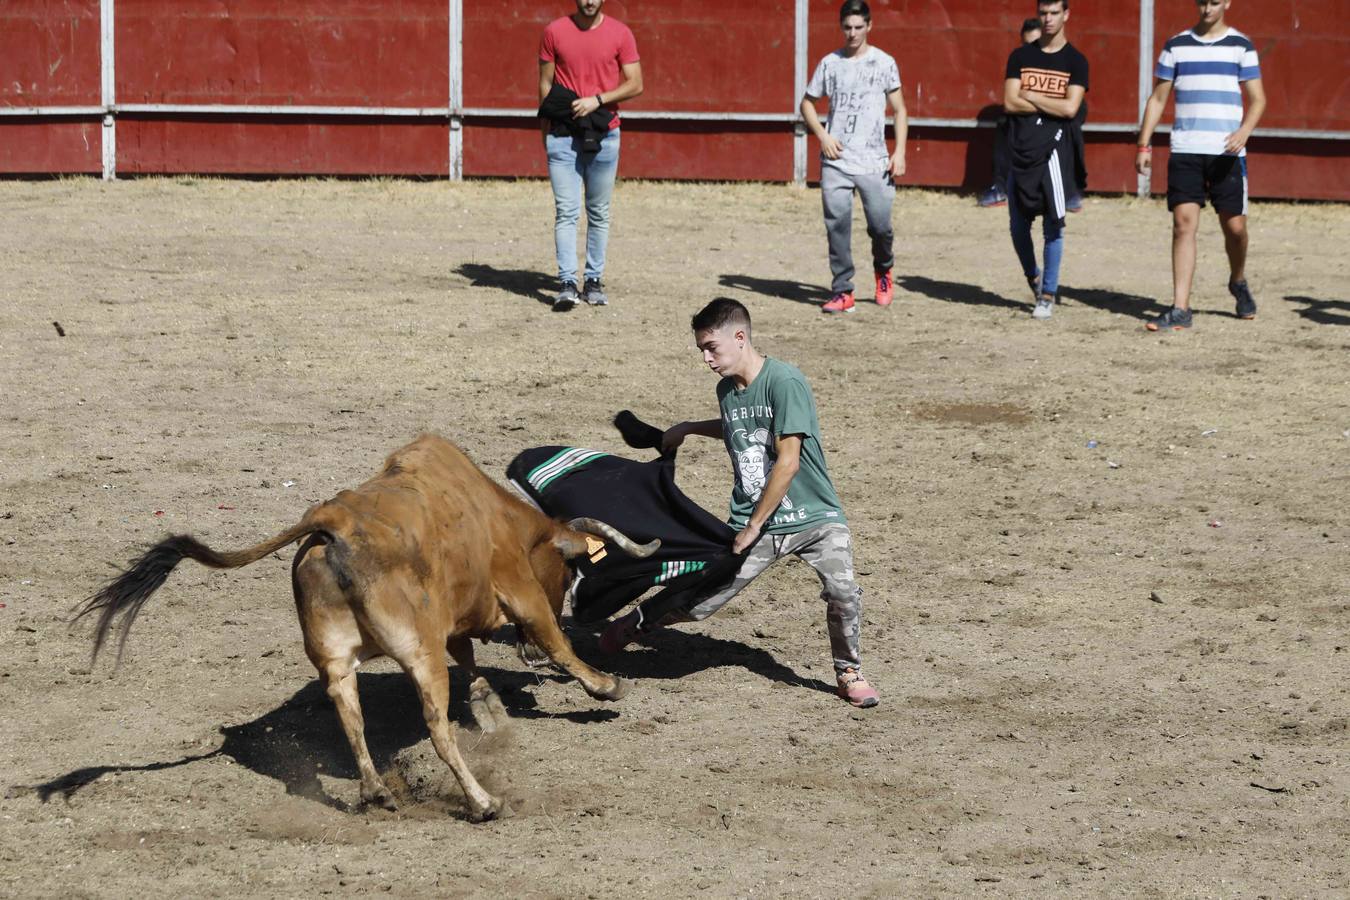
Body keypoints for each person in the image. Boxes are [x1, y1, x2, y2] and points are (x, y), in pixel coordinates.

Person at [600, 298, 880, 709]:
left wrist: (752, 525)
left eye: (711, 347)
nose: (708, 359)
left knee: (842, 591)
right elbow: (740, 426)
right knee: (700, 605)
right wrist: (691, 428)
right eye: (702, 350)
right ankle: (638, 622)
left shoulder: (785, 382)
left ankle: (849, 672)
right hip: (759, 521)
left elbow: (788, 461)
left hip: (814, 516)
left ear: (740, 337)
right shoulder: (727, 391)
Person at [1136, 0, 1266, 332]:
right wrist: (1144, 142)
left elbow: (1258, 98)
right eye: (1202, 2)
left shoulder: (1241, 45)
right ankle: (1180, 308)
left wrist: (1244, 131)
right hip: (1186, 149)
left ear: (1227, 3)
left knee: (1235, 228)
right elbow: (1158, 98)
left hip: (1227, 152)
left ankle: (1237, 280)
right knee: (1183, 224)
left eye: (1214, 2)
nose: (1207, 9)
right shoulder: (1176, 45)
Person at [800, 0, 907, 314]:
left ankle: (883, 271)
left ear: (869, 26)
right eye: (847, 27)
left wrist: (899, 151)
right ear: (841, 27)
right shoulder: (830, 63)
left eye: (859, 27)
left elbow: (900, 110)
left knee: (880, 226)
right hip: (838, 160)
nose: (853, 33)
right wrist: (823, 135)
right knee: (837, 225)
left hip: (874, 160)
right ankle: (842, 289)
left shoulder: (884, 62)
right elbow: (807, 103)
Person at [538, 0, 643, 311]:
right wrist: (545, 131)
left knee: (598, 211)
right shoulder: (554, 31)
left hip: (604, 132)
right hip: (562, 134)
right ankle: (568, 282)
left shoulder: (620, 33)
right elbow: (545, 83)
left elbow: (636, 83)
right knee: (566, 211)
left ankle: (593, 280)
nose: (589, 1)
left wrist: (598, 99)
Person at [1002, 0, 1088, 320]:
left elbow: (1070, 109)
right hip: (1022, 149)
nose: (1049, 19)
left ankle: (1048, 294)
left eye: (1054, 13)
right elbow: (1010, 101)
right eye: (1044, 13)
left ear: (1066, 14)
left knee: (1054, 224)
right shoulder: (1020, 56)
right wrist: (1051, 101)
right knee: (1017, 226)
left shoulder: (1076, 61)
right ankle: (1034, 278)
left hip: (1055, 150)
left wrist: (1032, 95)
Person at [978, 18, 1043, 209]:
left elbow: (1069, 104)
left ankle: (1067, 191)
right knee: (1006, 122)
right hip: (1030, 114)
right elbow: (1010, 101)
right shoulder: (1019, 61)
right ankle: (1000, 188)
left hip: (1057, 118)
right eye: (1026, 45)